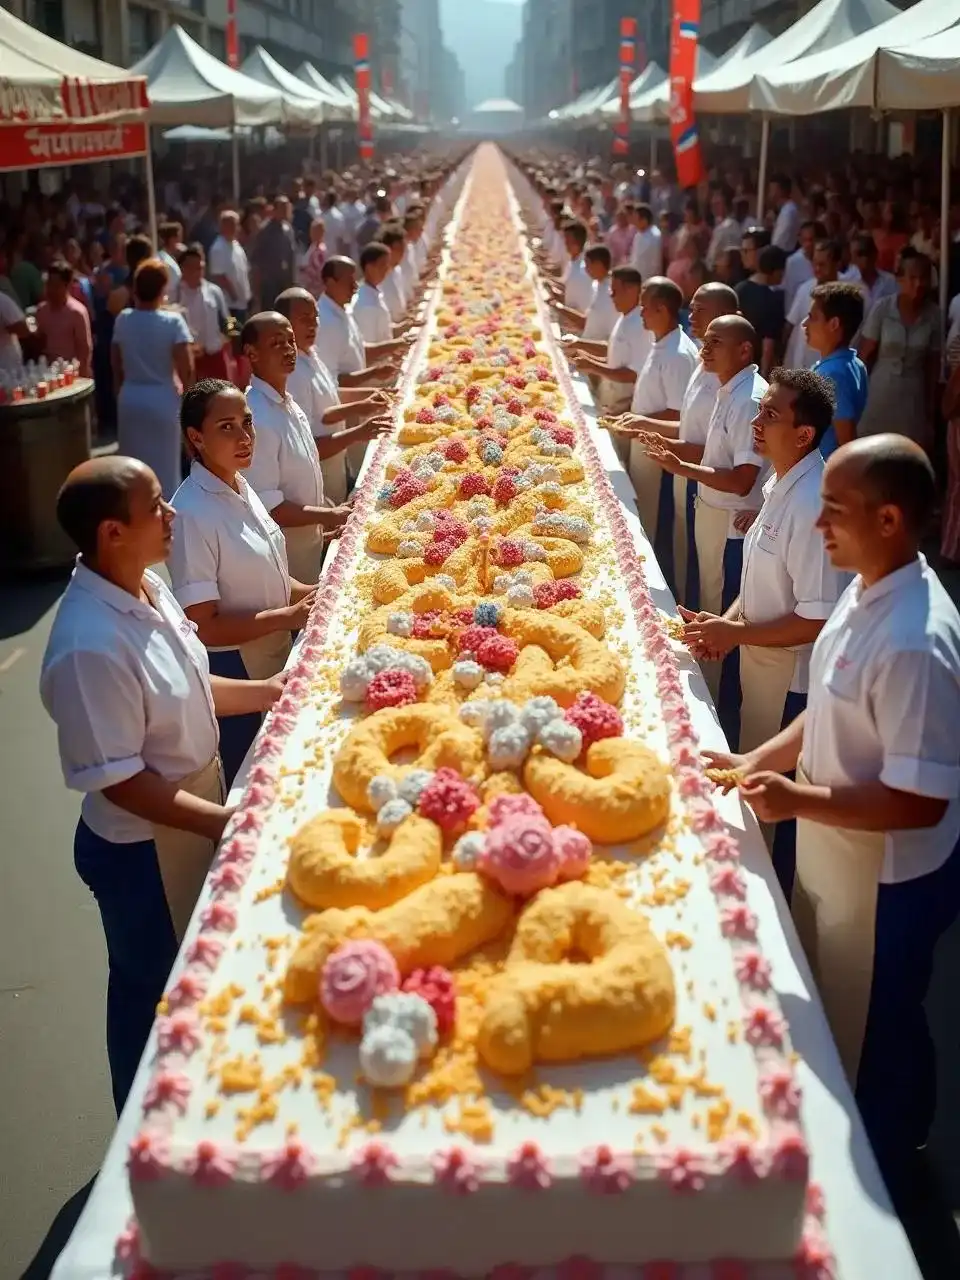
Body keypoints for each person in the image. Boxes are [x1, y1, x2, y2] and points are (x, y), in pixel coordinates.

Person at [706, 435, 960, 1200]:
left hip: (888, 876)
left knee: (877, 1022)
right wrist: (760, 761)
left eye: (835, 510)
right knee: (841, 1008)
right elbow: (823, 708)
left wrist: (797, 800)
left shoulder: (917, 641)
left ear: (888, 519)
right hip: (838, 839)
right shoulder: (864, 584)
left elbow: (921, 800)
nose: (821, 525)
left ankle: (882, 1177)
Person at [40, 456, 284, 1110]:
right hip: (142, 848)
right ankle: (141, 1139)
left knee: (193, 970)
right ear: (112, 533)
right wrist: (221, 823)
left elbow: (193, 683)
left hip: (190, 808)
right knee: (151, 990)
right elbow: (121, 781)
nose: (171, 513)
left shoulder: (147, 586)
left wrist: (274, 690)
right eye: (155, 506)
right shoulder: (88, 645)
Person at [682, 369, 848, 882]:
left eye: (770, 414)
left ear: (803, 434)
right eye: (761, 409)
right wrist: (726, 621)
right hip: (759, 659)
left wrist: (736, 636)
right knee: (749, 780)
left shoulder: (810, 502)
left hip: (789, 682)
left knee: (767, 813)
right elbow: (758, 580)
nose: (757, 421)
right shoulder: (780, 480)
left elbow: (816, 617)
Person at [170, 380, 318, 785]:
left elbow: (268, 571)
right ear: (196, 437)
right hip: (236, 669)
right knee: (255, 780)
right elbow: (205, 623)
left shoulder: (238, 483)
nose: (245, 437)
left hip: (273, 651)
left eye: (247, 423)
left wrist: (313, 594)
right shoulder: (191, 513)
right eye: (227, 427)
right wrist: (284, 617)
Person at [642, 315, 768, 706]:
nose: (705, 349)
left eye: (716, 342)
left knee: (721, 613)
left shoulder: (749, 397)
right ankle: (708, 689)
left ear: (744, 350)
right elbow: (712, 450)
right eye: (706, 341)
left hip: (731, 521)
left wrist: (681, 467)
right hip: (711, 509)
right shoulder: (727, 387)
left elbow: (744, 477)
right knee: (706, 598)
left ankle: (715, 701)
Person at [242, 311, 350, 583]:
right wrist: (329, 515)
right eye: (277, 343)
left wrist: (323, 528)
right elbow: (270, 506)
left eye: (290, 341)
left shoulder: (286, 403)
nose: (289, 349)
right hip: (286, 562)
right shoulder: (257, 417)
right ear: (252, 353)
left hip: (308, 546)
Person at [607, 277, 698, 553]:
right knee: (639, 506)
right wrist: (628, 412)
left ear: (661, 310)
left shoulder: (678, 355)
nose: (641, 312)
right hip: (642, 436)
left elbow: (678, 413)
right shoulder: (659, 342)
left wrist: (640, 423)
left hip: (657, 448)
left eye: (645, 307)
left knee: (650, 515)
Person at [279, 287, 393, 505]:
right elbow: (313, 433)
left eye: (315, 317)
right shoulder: (291, 373)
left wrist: (370, 396)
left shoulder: (310, 353)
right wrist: (358, 426)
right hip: (319, 470)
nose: (312, 325)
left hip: (335, 459)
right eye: (304, 319)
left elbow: (330, 394)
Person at [112, 260, 194, 499]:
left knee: (131, 471)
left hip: (130, 398)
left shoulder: (123, 319)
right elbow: (186, 369)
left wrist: (120, 391)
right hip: (163, 399)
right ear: (163, 289)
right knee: (166, 473)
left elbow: (115, 364)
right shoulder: (173, 322)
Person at [857, 249, 941, 452]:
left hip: (913, 399)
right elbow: (864, 356)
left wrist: (930, 412)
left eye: (923, 278)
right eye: (912, 278)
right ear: (900, 279)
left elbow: (933, 366)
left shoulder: (934, 315)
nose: (918, 284)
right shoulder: (883, 308)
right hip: (880, 393)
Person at [567, 266, 650, 459]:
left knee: (615, 458)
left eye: (614, 291)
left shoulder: (640, 324)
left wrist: (593, 366)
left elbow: (633, 373)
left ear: (631, 290)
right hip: (610, 399)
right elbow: (613, 355)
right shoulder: (624, 317)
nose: (611, 296)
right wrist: (588, 357)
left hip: (623, 407)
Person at [803, 282, 868, 457]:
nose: (805, 323)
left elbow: (846, 441)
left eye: (813, 317)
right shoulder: (853, 363)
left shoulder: (832, 373)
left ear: (833, 324)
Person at [783, 239, 849, 371]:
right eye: (815, 264)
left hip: (829, 368)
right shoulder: (804, 289)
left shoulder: (847, 295)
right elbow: (791, 325)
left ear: (837, 264)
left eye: (823, 265)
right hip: (799, 365)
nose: (817, 269)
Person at [173, 244, 232, 381]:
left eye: (200, 268)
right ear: (183, 269)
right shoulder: (175, 294)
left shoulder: (214, 292)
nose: (197, 272)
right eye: (192, 268)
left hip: (215, 356)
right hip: (190, 360)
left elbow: (229, 321)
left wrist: (228, 339)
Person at [35, 261, 93, 376]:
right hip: (49, 375)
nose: (51, 290)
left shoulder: (77, 312)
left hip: (73, 375)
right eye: (49, 285)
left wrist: (82, 378)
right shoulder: (42, 311)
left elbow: (84, 350)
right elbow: (39, 343)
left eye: (56, 286)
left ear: (67, 285)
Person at [736, 245, 786, 377]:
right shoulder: (772, 299)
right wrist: (763, 375)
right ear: (776, 272)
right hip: (753, 366)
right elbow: (768, 343)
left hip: (733, 359)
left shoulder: (739, 289)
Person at [553, 244, 617, 341]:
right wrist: (557, 307)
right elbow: (587, 321)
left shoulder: (610, 294)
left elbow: (606, 336)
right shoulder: (596, 285)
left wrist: (559, 307)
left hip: (595, 350)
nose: (586, 269)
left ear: (598, 265)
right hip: (586, 341)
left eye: (587, 264)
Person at [251, 196, 298, 312]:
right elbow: (256, 260)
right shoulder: (265, 231)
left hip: (285, 281)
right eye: (282, 208)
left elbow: (291, 256)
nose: (285, 211)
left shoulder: (288, 229)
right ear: (275, 210)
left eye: (287, 208)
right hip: (269, 284)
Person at [350, 242, 400, 345]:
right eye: (382, 265)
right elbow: (370, 347)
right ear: (369, 268)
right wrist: (397, 345)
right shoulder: (364, 304)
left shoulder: (375, 290)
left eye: (387, 264)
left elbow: (382, 328)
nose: (387, 269)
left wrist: (402, 327)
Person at [208, 211, 253, 325]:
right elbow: (219, 275)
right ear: (223, 226)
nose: (235, 228)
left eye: (236, 224)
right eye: (231, 224)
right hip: (229, 306)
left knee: (241, 336)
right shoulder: (218, 248)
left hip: (241, 304)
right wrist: (233, 295)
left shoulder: (236, 245)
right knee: (232, 335)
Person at [544, 220, 594, 314]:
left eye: (567, 240)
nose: (564, 243)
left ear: (576, 243)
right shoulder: (573, 262)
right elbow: (567, 292)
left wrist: (557, 303)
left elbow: (577, 307)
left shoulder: (583, 272)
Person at [850, 233, 897, 310]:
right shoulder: (847, 284)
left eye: (861, 253)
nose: (856, 259)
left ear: (874, 254)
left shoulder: (890, 282)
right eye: (853, 255)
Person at [782, 220, 822, 309]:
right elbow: (789, 295)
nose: (807, 244)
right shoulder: (793, 262)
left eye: (811, 240)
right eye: (804, 240)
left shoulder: (830, 260)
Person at [705, 187, 742, 272]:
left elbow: (713, 258)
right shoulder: (719, 226)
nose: (714, 208)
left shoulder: (728, 227)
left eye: (717, 204)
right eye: (712, 204)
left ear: (726, 205)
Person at [629, 203, 663, 282]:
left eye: (635, 218)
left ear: (644, 220)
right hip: (636, 280)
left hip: (649, 281)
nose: (633, 222)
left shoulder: (654, 236)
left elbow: (655, 265)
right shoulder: (638, 235)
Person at [769, 174, 800, 252]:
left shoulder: (788, 212)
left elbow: (778, 243)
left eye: (772, 190)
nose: (770, 194)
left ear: (780, 191)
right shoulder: (786, 210)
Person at [298, 217, 327, 300]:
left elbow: (320, 271)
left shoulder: (321, 250)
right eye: (312, 231)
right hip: (309, 289)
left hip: (318, 291)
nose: (312, 234)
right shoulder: (311, 247)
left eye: (316, 231)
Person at [157, 221, 184, 287]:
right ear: (171, 239)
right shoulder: (163, 260)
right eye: (178, 237)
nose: (180, 241)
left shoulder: (171, 258)